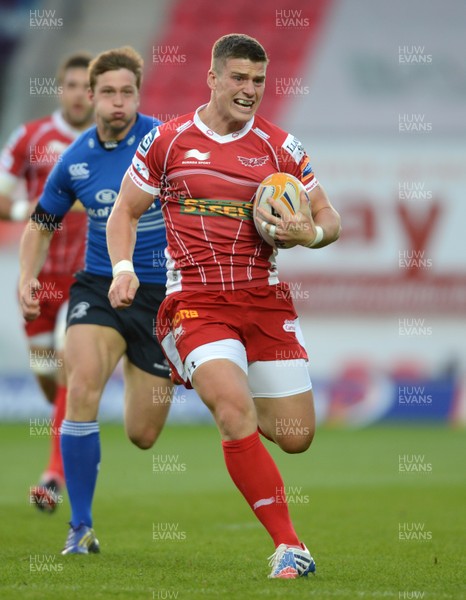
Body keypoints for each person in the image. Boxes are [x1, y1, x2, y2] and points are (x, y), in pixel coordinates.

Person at [107, 33, 341, 578]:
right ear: (212, 78)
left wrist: (310, 233)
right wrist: (123, 270)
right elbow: (124, 212)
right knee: (234, 412)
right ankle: (290, 546)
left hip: (263, 301)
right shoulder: (167, 142)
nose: (249, 89)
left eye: (258, 80)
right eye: (238, 78)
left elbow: (331, 219)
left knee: (294, 438)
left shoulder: (282, 147)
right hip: (196, 301)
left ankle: (228, 398)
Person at [18, 46, 172, 554]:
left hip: (158, 297)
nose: (118, 102)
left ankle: (137, 363)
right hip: (99, 289)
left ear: (138, 95)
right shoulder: (77, 158)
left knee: (143, 434)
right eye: (108, 92)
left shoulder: (165, 144)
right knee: (80, 385)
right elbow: (40, 226)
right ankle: (79, 529)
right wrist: (26, 278)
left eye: (128, 92)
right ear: (91, 96)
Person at [0, 52, 94, 512]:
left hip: (87, 281)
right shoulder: (32, 136)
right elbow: (2, 199)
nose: (81, 93)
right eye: (73, 84)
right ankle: (74, 436)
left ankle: (54, 473)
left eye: (88, 86)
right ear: (62, 89)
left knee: (70, 370)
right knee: (47, 374)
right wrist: (37, 212)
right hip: (39, 280)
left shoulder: (111, 143)